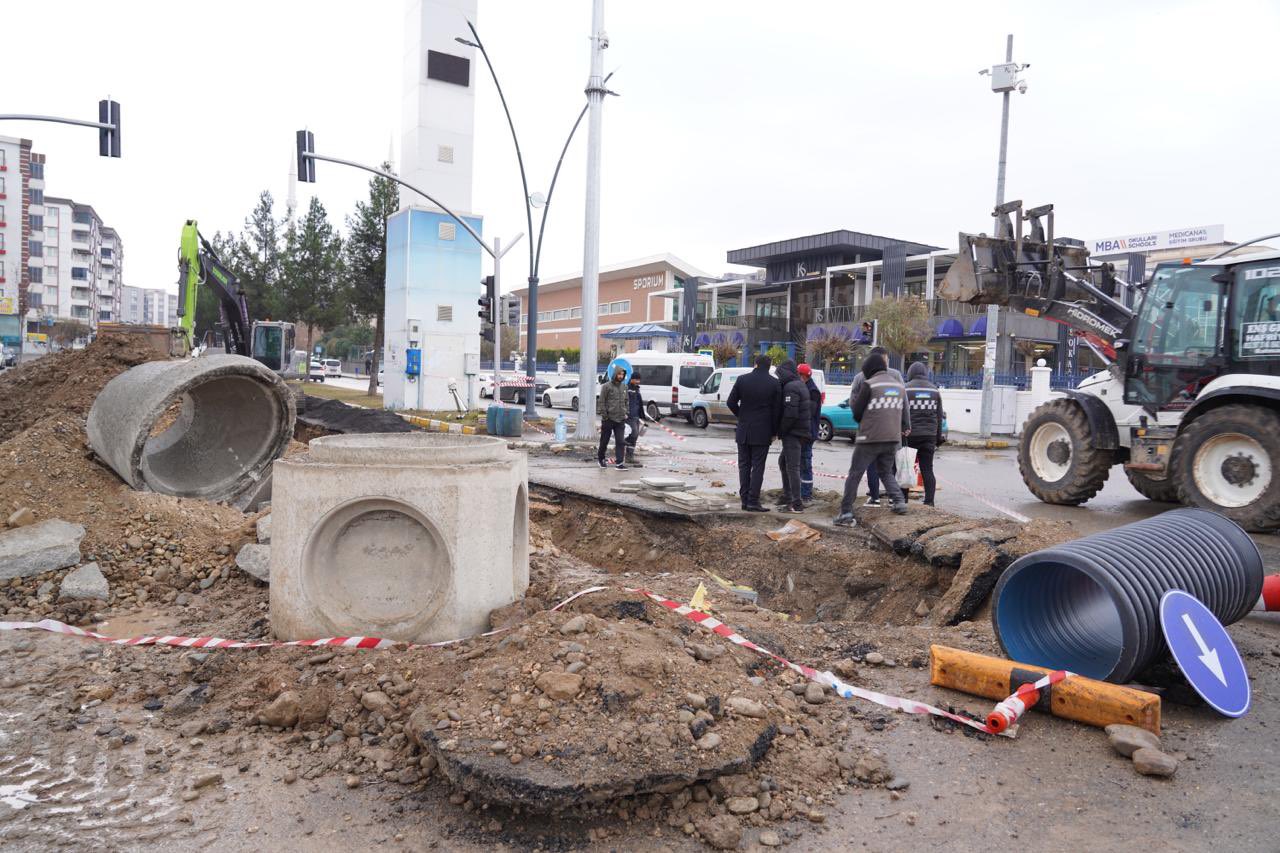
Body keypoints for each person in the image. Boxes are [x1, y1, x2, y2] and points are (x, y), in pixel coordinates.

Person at [834, 352, 911, 525]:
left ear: (870, 368)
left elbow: (856, 412)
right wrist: (905, 426)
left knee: (855, 473)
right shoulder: (898, 386)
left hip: (870, 437)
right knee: (885, 472)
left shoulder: (869, 385)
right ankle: (899, 502)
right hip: (892, 437)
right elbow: (905, 409)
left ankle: (845, 512)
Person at [847, 346, 903, 506]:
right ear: (885, 359)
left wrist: (862, 419)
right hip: (893, 431)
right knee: (887, 468)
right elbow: (904, 403)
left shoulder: (862, 378)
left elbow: (854, 403)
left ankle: (872, 498)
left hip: (870, 433)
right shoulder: (897, 377)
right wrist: (905, 424)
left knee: (860, 470)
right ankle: (896, 499)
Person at [727, 354, 781, 512]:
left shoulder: (742, 379)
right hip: (763, 432)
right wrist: (774, 430)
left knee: (744, 466)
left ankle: (744, 500)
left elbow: (731, 402)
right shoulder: (774, 383)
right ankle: (753, 501)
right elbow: (777, 411)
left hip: (744, 430)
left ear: (755, 364)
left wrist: (742, 416)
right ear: (770, 366)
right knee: (758, 467)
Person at [905, 361, 945, 506]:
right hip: (929, 436)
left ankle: (903, 500)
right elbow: (939, 416)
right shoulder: (934, 390)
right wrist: (938, 437)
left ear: (910, 373)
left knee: (906, 468)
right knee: (927, 469)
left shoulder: (906, 389)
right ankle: (929, 502)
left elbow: (901, 414)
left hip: (909, 436)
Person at [774, 360, 812, 513]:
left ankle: (796, 504)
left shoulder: (791, 387)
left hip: (794, 433)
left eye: (779, 375)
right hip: (800, 431)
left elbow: (791, 414)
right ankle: (788, 496)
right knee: (783, 462)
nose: (778, 378)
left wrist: (781, 431)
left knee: (792, 467)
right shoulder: (798, 384)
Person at [597, 366, 629, 470]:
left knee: (620, 441)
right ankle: (601, 459)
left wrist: (626, 412)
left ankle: (619, 463)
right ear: (615, 374)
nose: (621, 376)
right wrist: (605, 416)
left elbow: (626, 401)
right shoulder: (606, 386)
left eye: (622, 375)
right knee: (604, 440)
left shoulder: (624, 387)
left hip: (620, 419)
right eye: (619, 374)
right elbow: (601, 401)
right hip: (608, 419)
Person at [798, 363, 821, 504]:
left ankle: (806, 494)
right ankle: (802, 492)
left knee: (806, 463)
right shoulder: (808, 388)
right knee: (801, 462)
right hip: (806, 431)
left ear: (803, 376)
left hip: (808, 432)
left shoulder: (812, 391)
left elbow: (809, 412)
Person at [623, 373, 653, 466]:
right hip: (629, 416)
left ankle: (630, 456)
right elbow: (624, 402)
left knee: (635, 436)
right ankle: (624, 449)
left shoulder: (637, 389)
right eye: (636, 379)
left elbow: (638, 403)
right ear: (631, 379)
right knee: (633, 434)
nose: (638, 381)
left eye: (639, 380)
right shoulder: (627, 388)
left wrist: (642, 415)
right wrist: (625, 413)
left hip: (636, 416)